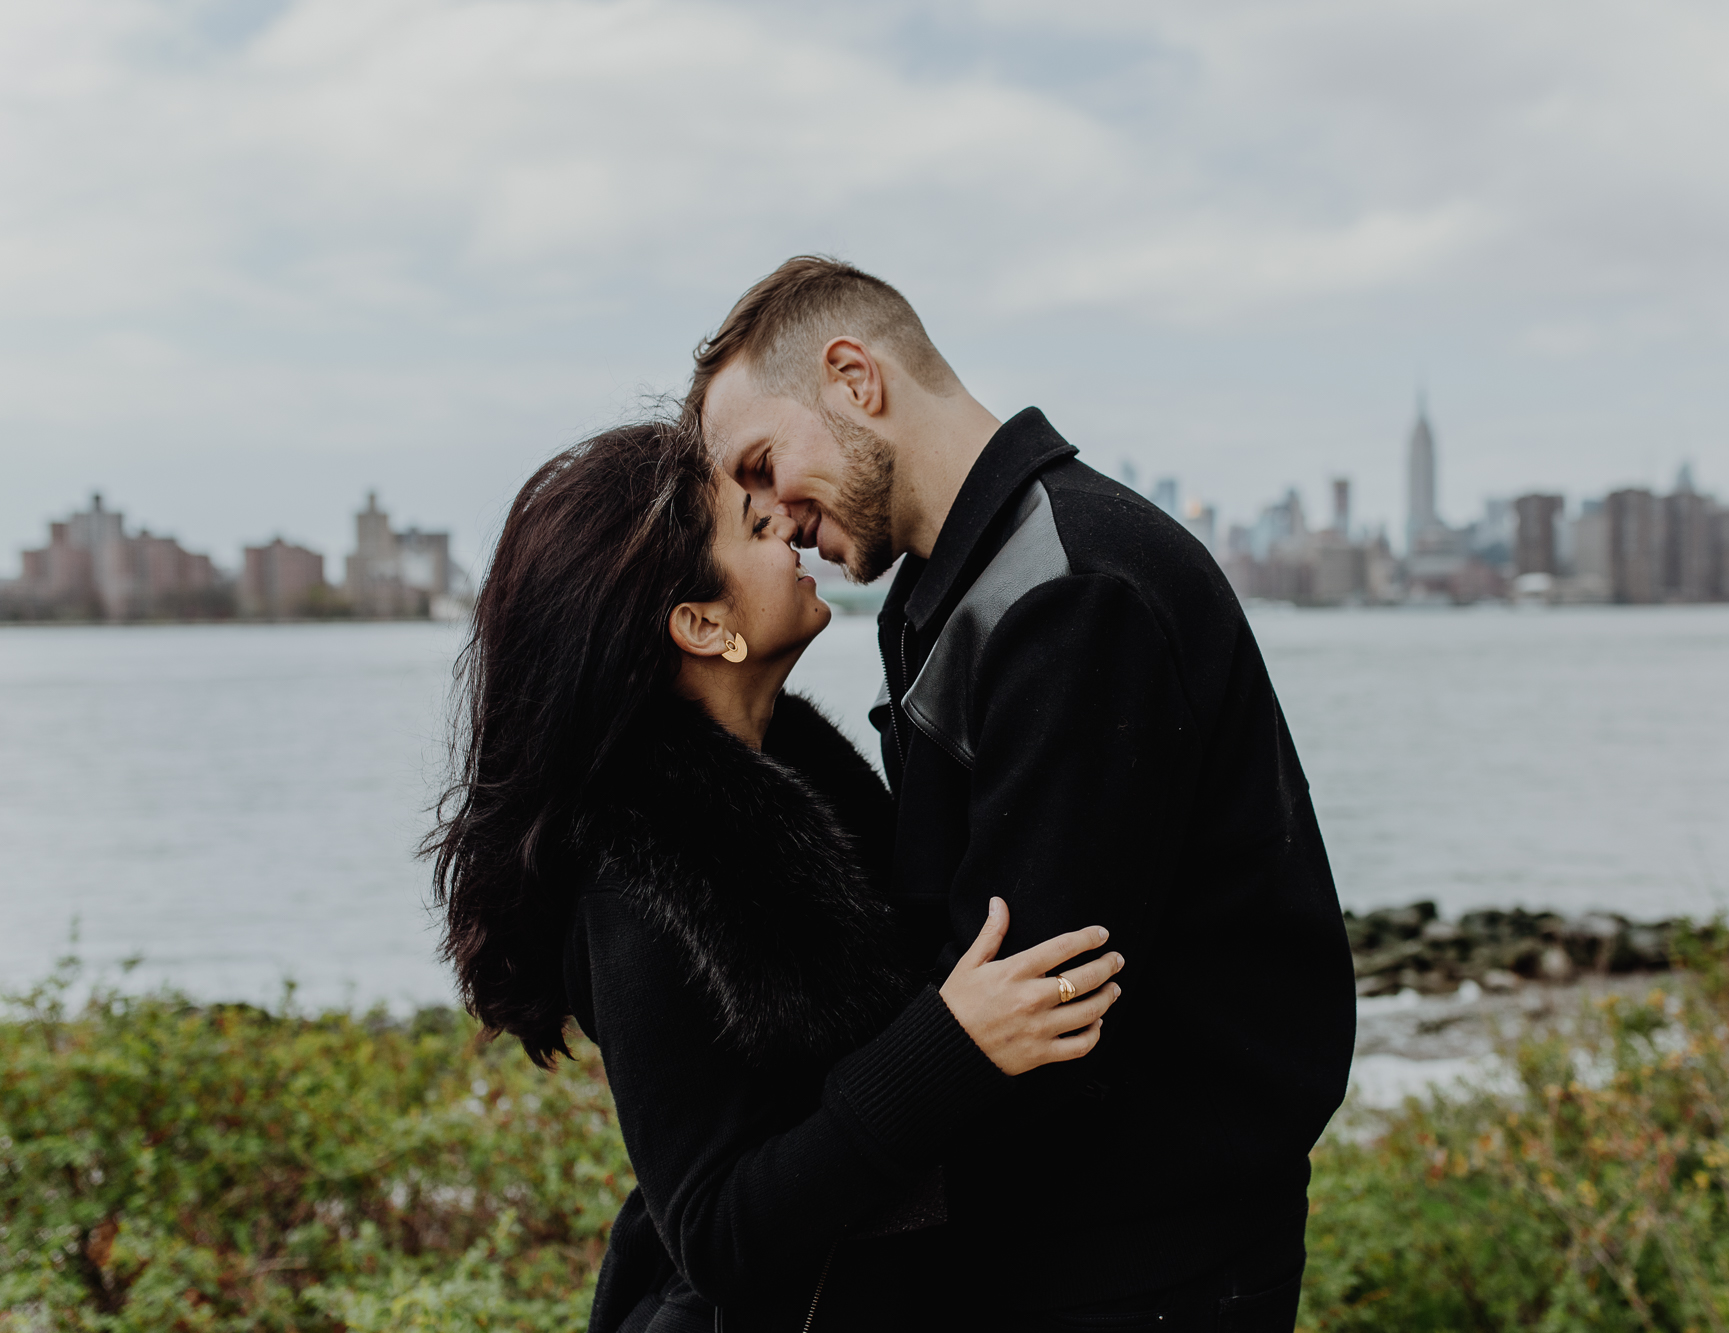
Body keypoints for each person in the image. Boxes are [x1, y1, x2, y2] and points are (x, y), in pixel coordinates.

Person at [694, 257, 1358, 1330]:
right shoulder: (951, 587)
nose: (774, 516)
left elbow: (1038, 988)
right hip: (1075, 1239)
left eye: (764, 464)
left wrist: (811, 1180)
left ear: (855, 378)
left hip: (1147, 1257)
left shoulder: (1070, 586)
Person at [426, 419, 1128, 1332]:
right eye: (756, 530)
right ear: (702, 624)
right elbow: (717, 1235)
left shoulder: (803, 787)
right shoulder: (641, 881)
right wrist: (954, 1047)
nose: (791, 533)